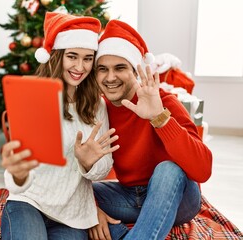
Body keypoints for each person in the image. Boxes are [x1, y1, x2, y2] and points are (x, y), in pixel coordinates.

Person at [89, 19, 213, 240]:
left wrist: (160, 118)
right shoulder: (100, 108)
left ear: (135, 72)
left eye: (120, 68)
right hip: (130, 196)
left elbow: (203, 170)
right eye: (103, 69)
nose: (110, 78)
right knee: (76, 196)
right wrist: (91, 211)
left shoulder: (163, 101)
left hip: (180, 199)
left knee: (168, 169)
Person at [0, 12, 120, 240]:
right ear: (57, 57)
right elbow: (18, 174)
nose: (80, 66)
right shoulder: (35, 98)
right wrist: (18, 175)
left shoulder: (97, 105)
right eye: (72, 56)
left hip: (72, 212)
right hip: (30, 201)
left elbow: (104, 166)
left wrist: (88, 163)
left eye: (87, 58)